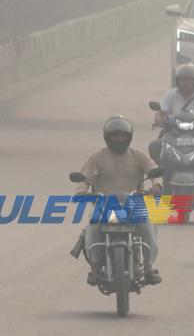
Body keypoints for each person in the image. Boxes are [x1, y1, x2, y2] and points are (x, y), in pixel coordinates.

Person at [73, 116, 162, 286]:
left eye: (122, 136)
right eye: (115, 136)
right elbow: (84, 177)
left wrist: (156, 186)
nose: (119, 139)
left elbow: (154, 171)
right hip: (105, 205)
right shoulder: (97, 158)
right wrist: (82, 191)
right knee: (92, 229)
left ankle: (149, 267)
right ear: (108, 137)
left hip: (133, 204)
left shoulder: (138, 156)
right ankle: (96, 268)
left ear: (129, 137)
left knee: (148, 225)